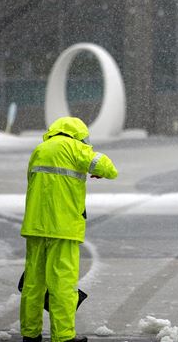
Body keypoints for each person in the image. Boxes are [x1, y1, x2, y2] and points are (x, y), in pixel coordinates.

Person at [20, 117, 118, 342]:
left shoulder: (40, 150)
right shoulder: (76, 148)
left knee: (33, 284)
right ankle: (63, 336)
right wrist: (95, 168)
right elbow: (109, 168)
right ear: (79, 135)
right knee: (62, 283)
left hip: (35, 226)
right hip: (63, 228)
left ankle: (30, 334)